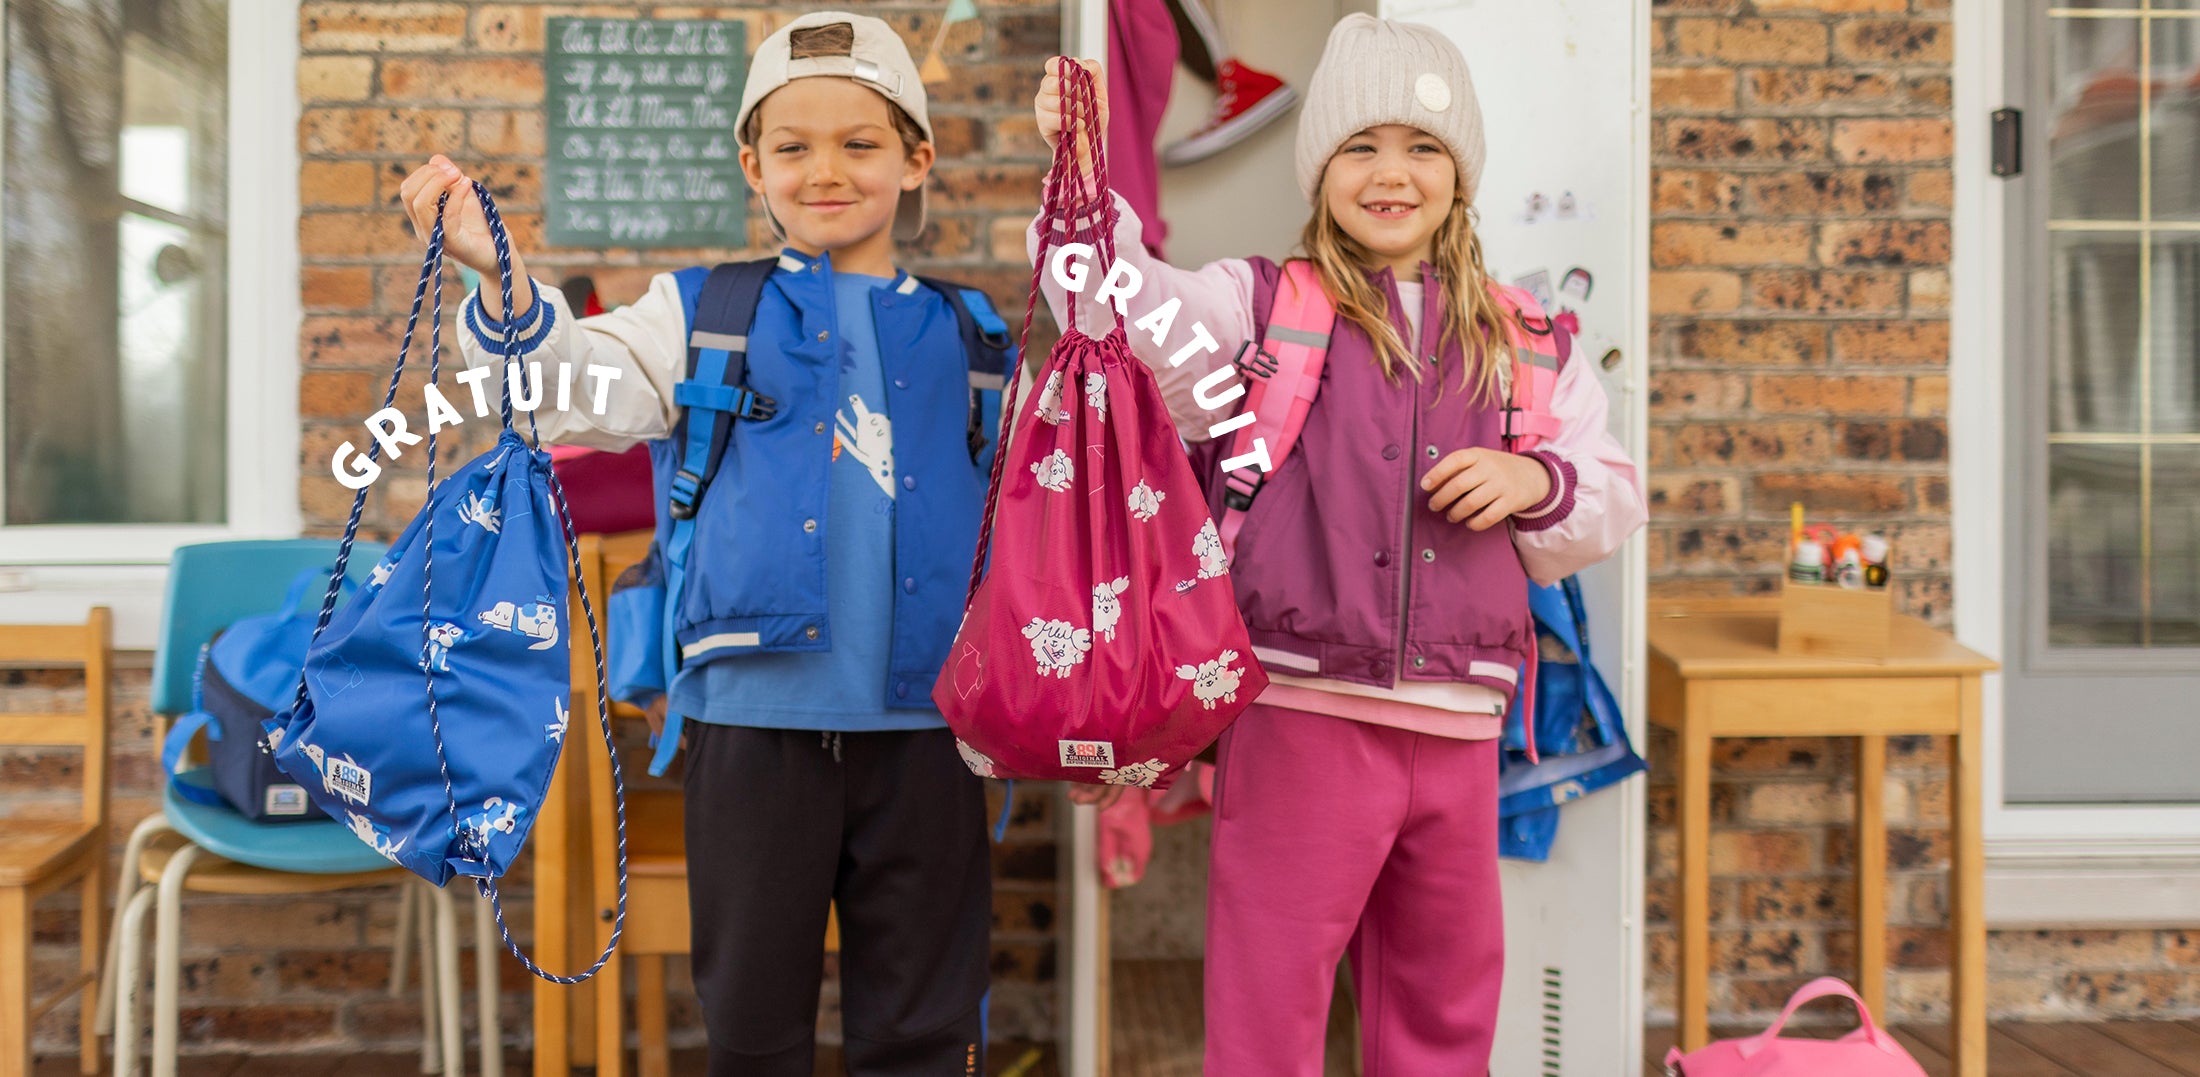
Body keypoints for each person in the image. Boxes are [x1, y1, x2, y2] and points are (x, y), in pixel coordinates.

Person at [1031, 15, 1646, 1075]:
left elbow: (1612, 492)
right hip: (1299, 719)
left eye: (1422, 147)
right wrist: (1081, 193)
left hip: (1460, 731)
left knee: (1442, 1016)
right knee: (1268, 1016)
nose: (1390, 172)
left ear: (1461, 173)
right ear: (1321, 169)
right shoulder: (1260, 313)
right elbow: (1120, 313)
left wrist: (1531, 479)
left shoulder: (1526, 338)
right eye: (1360, 145)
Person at [401, 13, 1000, 1076]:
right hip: (748, 733)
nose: (826, 169)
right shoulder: (699, 313)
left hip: (935, 736)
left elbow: (1052, 508)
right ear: (752, 165)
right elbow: (557, 388)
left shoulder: (977, 333)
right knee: (752, 1035)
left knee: (922, 1036)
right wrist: (502, 276)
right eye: (793, 145)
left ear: (917, 159)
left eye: (861, 143)